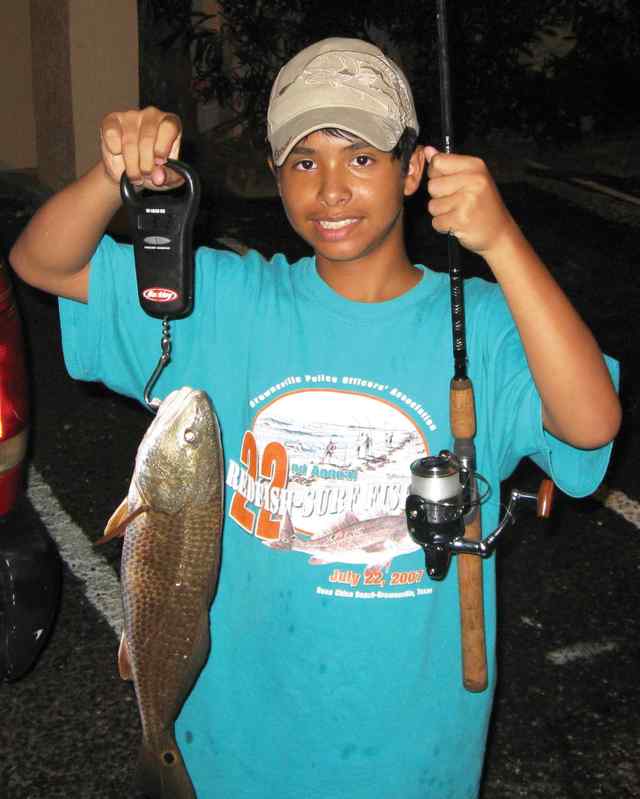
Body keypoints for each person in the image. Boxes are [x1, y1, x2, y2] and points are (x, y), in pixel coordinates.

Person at [10, 37, 620, 799]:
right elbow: (45, 263)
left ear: (414, 168)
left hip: (412, 760)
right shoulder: (229, 301)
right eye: (304, 161)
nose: (331, 189)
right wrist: (113, 176)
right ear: (275, 175)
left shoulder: (486, 326)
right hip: (235, 750)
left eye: (361, 157)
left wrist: (501, 240)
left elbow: (592, 424)